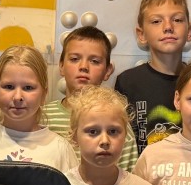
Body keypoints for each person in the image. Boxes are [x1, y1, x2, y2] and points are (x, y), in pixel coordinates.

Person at [41, 26, 140, 171]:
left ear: (107, 71)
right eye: (74, 59)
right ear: (61, 66)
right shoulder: (43, 117)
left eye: (94, 61)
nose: (83, 67)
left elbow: (127, 177)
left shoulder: (117, 123)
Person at [0, 45, 78, 171]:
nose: (17, 97)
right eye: (9, 87)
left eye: (28, 88)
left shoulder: (60, 149)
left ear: (44, 94)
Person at [114, 0, 191, 153]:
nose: (168, 27)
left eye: (177, 19)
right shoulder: (128, 82)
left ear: (189, 31)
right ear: (141, 34)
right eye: (156, 21)